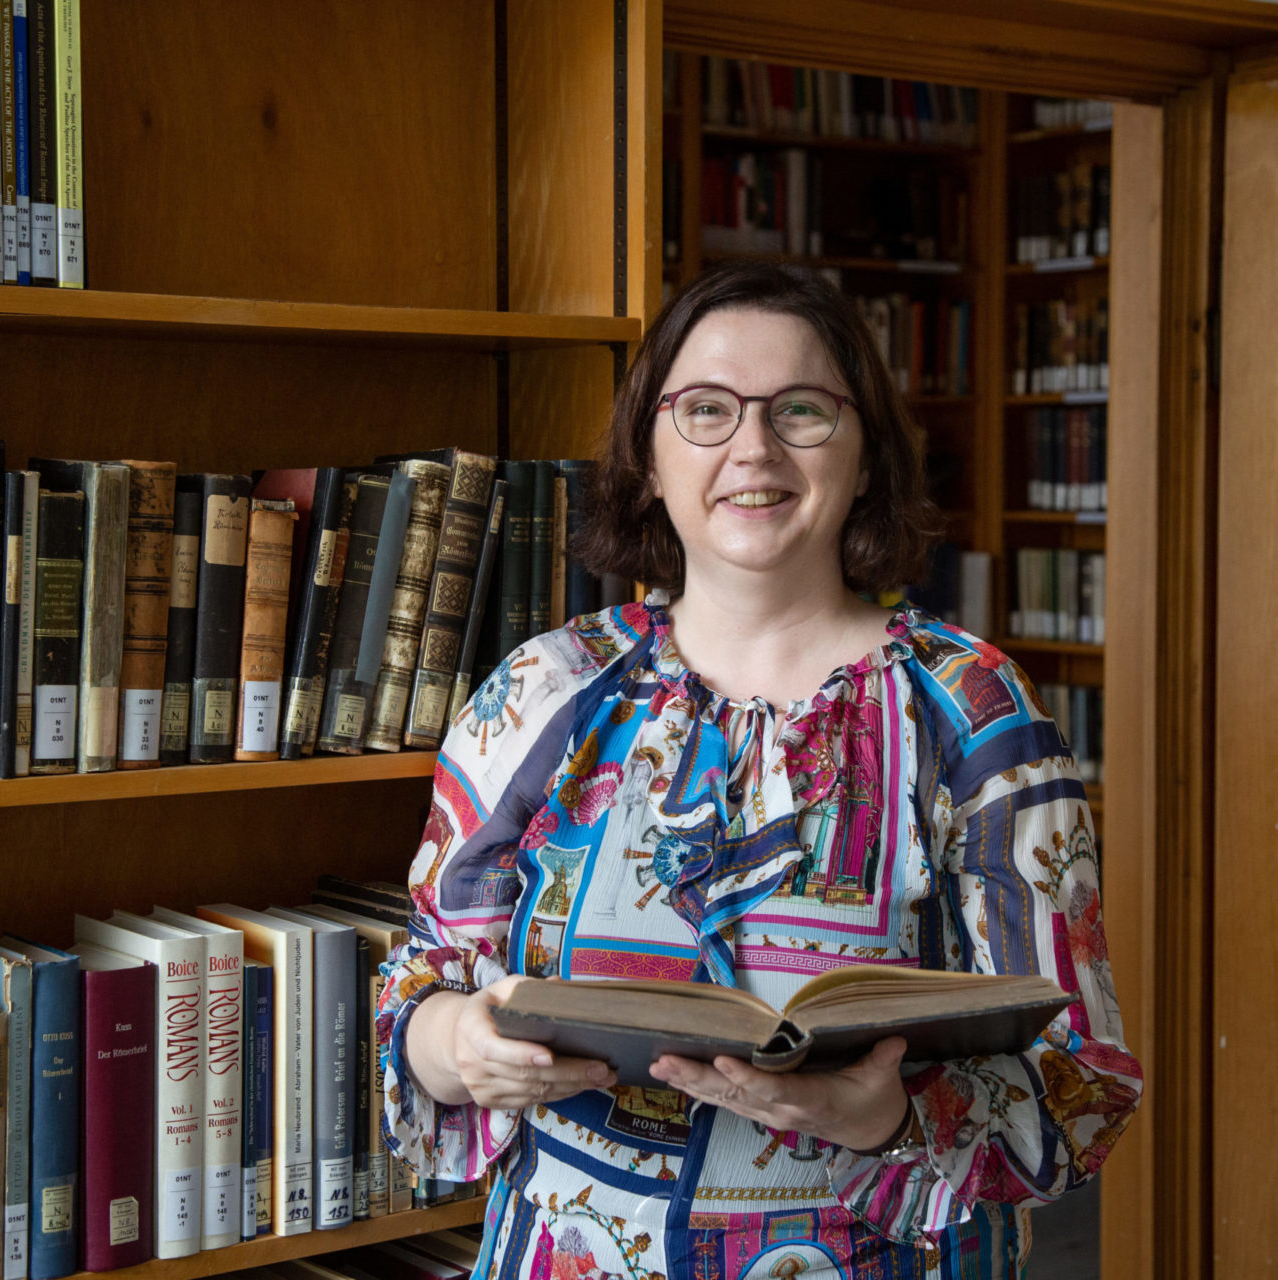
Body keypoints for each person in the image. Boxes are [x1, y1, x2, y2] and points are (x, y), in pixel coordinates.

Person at [377, 261, 1139, 1280]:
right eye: (706, 410)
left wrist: (895, 1116)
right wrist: (457, 1041)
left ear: (865, 451)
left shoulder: (976, 710)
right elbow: (416, 991)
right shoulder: (543, 690)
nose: (754, 447)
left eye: (802, 410)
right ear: (647, 452)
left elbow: (1082, 1079)